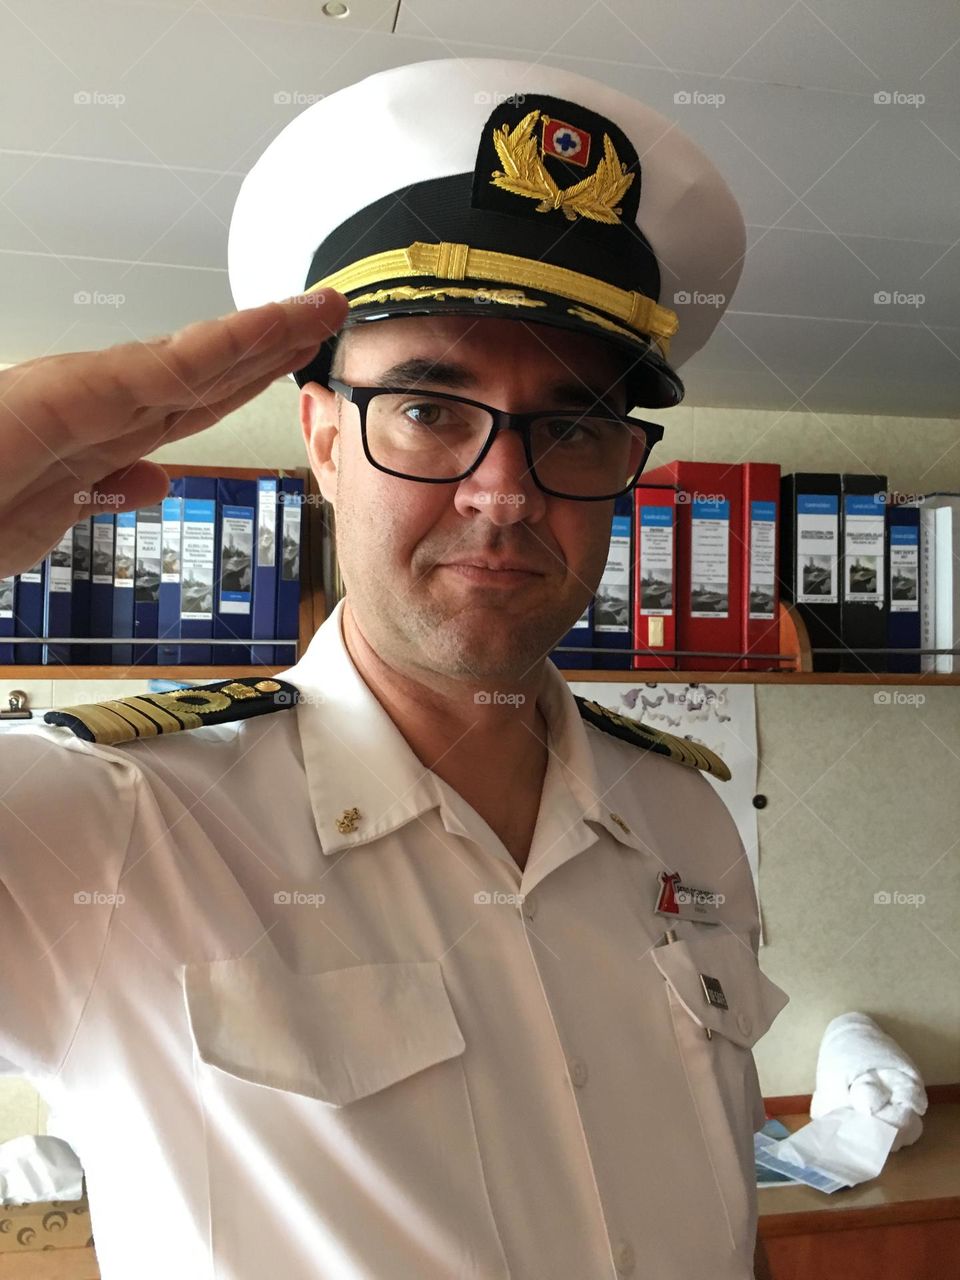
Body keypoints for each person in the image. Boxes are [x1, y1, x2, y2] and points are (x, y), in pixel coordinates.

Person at [0, 58, 787, 1279]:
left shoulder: (686, 815)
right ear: (323, 439)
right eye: (429, 409)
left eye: (572, 425)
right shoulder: (108, 825)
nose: (506, 490)